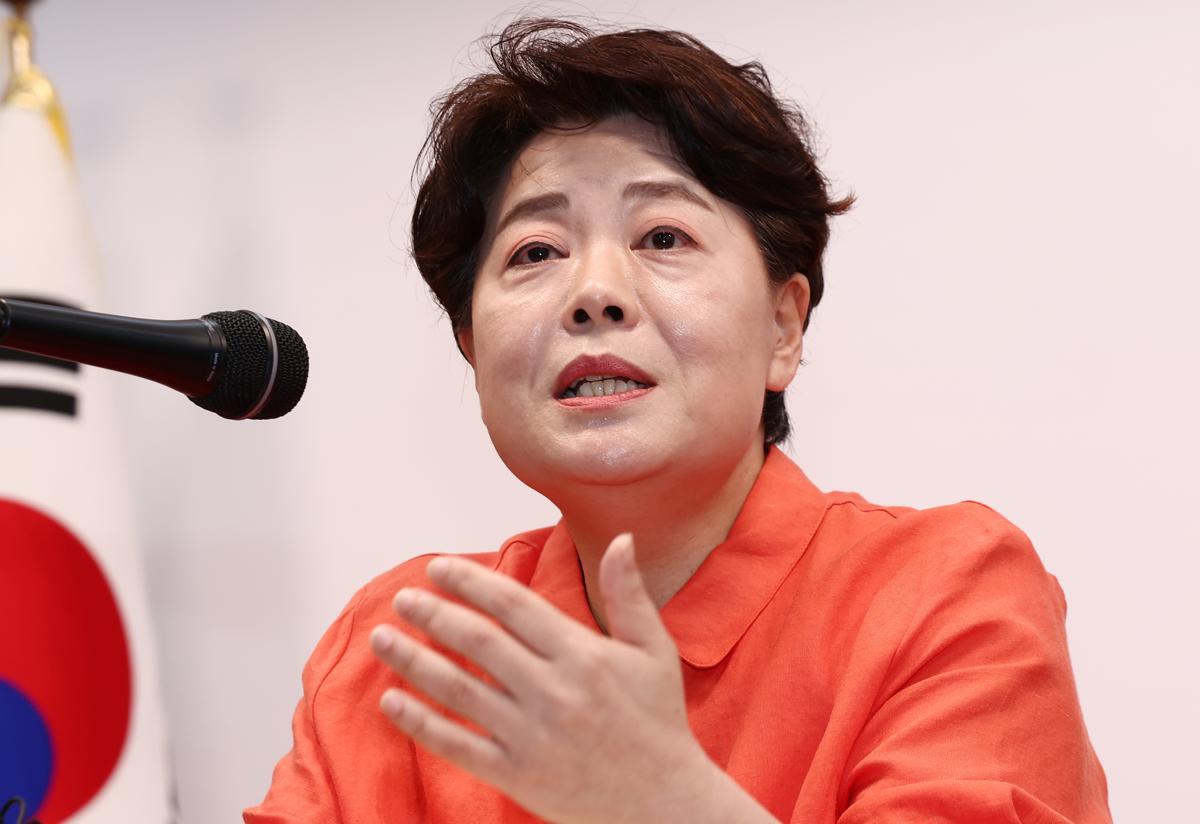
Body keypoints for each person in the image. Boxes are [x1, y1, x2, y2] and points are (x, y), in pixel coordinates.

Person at [245, 17, 1112, 823]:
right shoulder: (406, 648)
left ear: (784, 328)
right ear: (472, 350)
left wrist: (664, 802)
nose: (594, 293)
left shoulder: (943, 594)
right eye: (536, 252)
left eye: (663, 237)